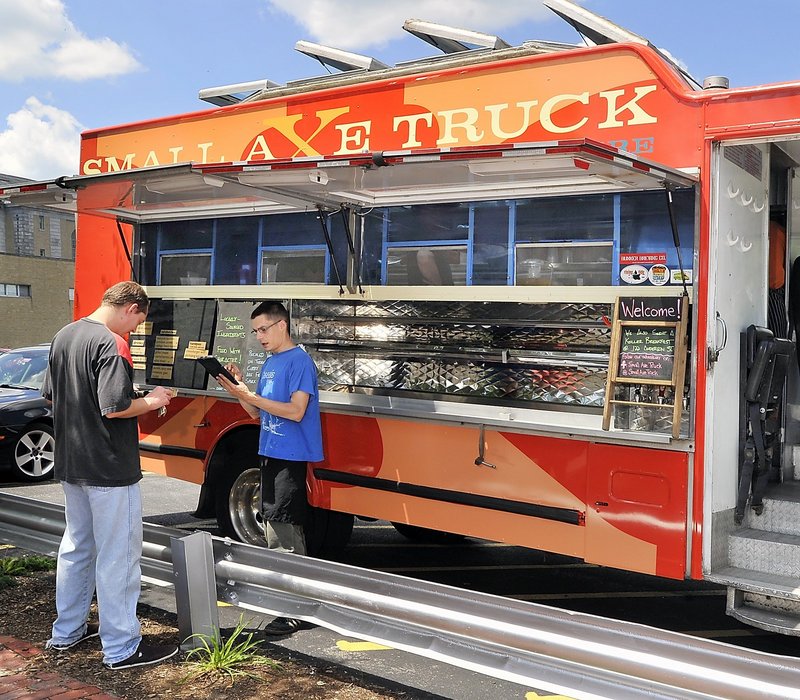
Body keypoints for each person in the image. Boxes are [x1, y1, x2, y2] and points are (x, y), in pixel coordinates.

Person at [42, 281, 178, 670]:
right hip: (109, 467)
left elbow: (51, 395)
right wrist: (153, 400)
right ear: (131, 307)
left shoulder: (64, 335)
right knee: (118, 556)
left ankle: (66, 632)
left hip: (72, 462)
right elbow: (115, 407)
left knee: (76, 549)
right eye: (138, 321)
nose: (134, 331)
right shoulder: (111, 343)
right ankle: (121, 648)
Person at [218, 300, 323, 636]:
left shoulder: (299, 361)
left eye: (264, 329)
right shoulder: (271, 363)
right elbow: (256, 415)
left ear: (282, 326)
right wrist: (238, 392)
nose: (259, 336)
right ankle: (289, 603)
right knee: (275, 526)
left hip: (290, 456)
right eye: (255, 331)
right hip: (270, 451)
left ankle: (295, 609)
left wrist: (255, 397)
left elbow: (295, 411)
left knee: (284, 532)